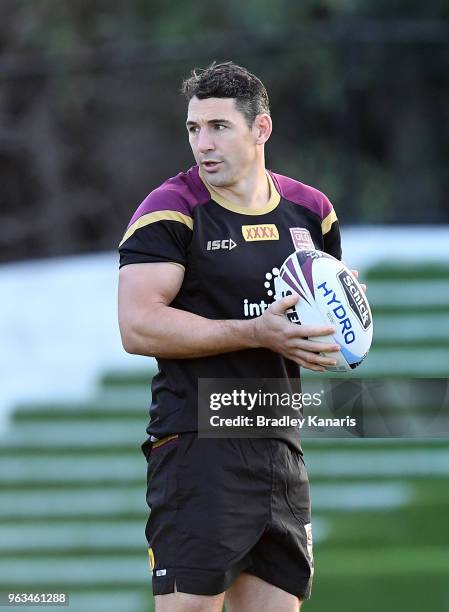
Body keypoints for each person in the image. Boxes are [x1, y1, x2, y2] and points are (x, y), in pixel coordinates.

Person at [118, 61, 362, 612]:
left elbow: (319, 323)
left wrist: (344, 323)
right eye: (193, 129)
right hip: (198, 447)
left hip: (279, 445)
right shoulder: (171, 210)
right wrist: (256, 332)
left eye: (218, 127)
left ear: (261, 129)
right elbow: (137, 326)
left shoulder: (312, 212)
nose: (202, 144)